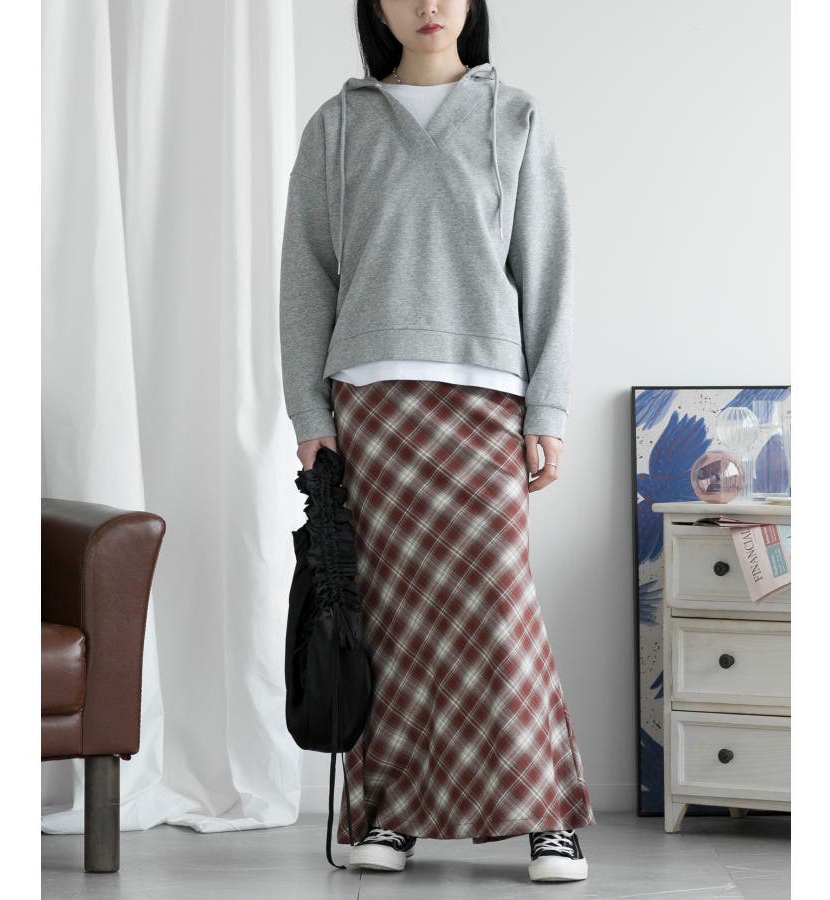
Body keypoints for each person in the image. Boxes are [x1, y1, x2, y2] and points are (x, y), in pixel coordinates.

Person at [279, 0, 595, 885]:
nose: (428, 5)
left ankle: (547, 815)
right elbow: (304, 275)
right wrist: (310, 414)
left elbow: (549, 269)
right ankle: (387, 813)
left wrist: (547, 409)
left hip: (485, 397)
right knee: (387, 615)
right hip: (370, 402)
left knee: (499, 607)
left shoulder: (516, 116)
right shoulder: (337, 125)